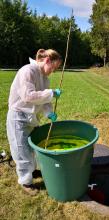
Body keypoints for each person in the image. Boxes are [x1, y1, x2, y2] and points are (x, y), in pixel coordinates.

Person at [6, 49, 62, 196]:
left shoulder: (45, 78)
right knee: (21, 150)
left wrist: (49, 113)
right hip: (18, 117)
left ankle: (32, 170)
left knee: (31, 147)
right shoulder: (28, 70)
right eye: (53, 68)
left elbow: (43, 101)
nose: (53, 71)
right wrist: (51, 93)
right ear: (47, 60)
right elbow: (28, 96)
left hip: (31, 118)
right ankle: (26, 182)